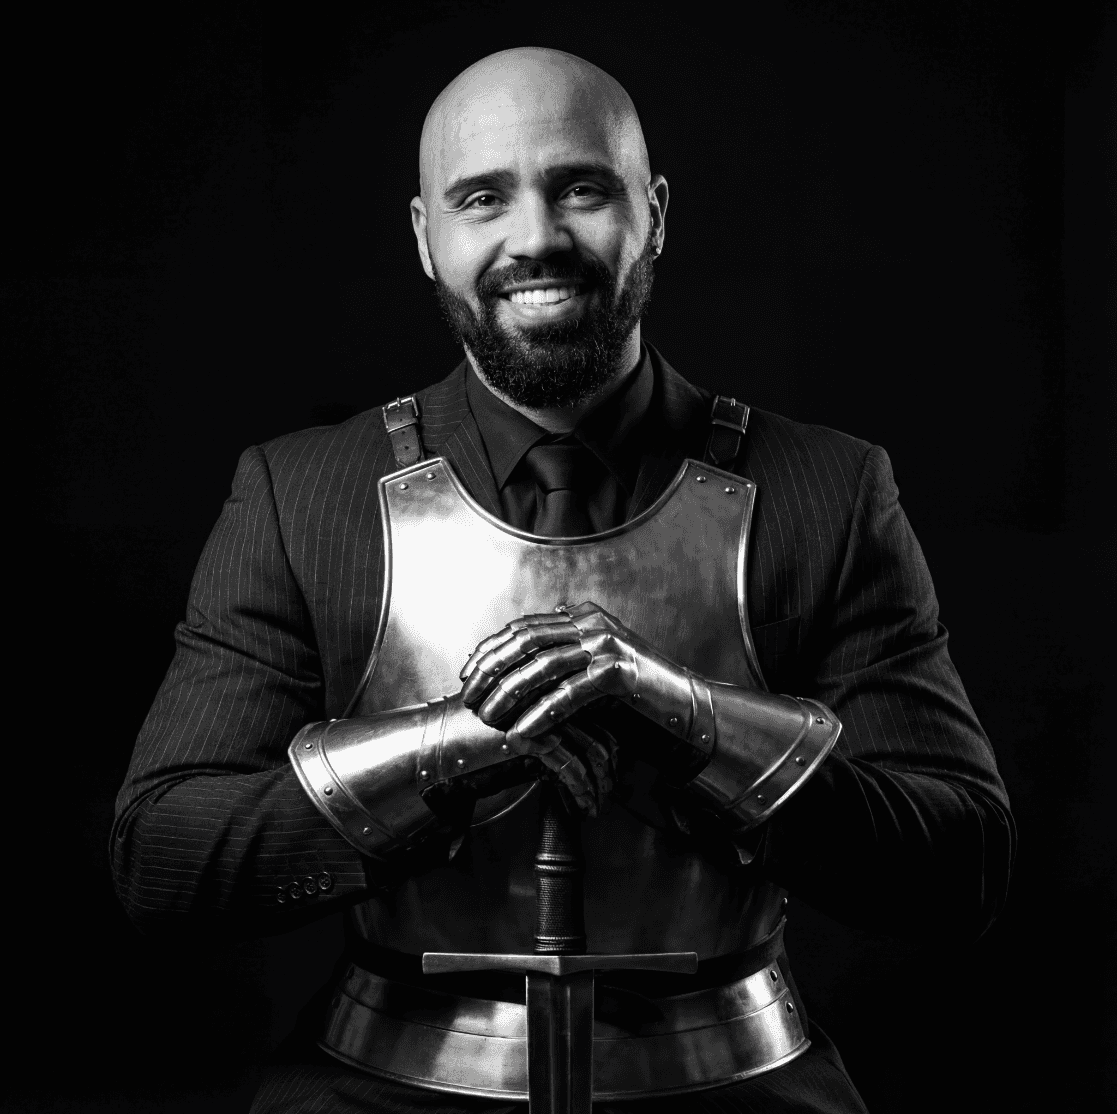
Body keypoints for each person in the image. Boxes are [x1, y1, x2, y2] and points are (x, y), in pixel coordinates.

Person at [113, 47, 1015, 1113]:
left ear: (654, 214)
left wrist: (683, 719)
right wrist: (455, 749)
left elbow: (959, 869)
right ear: (425, 237)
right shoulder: (301, 493)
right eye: (483, 198)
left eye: (580, 188)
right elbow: (163, 861)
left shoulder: (826, 489)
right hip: (379, 1085)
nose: (535, 237)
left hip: (734, 1084)